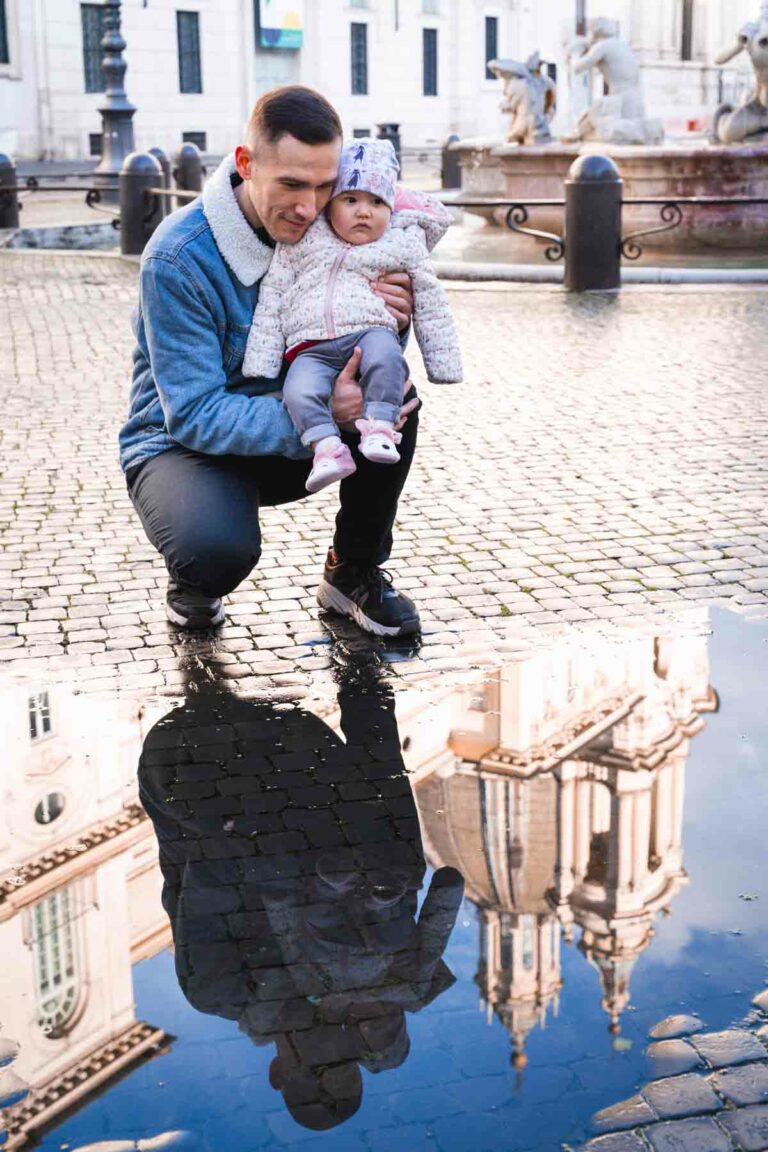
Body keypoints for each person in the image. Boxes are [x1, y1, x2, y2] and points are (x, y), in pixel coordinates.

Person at [118, 86, 422, 637]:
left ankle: (352, 570)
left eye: (324, 185)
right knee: (216, 551)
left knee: (394, 398)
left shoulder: (333, 229)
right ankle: (194, 580)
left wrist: (390, 323)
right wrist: (325, 415)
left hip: (286, 423)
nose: (309, 207)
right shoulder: (178, 258)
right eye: (291, 184)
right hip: (178, 444)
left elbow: (346, 355)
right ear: (245, 164)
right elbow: (191, 413)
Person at [244, 138, 462, 495]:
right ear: (330, 204)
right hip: (310, 346)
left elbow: (432, 302)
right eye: (351, 200)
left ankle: (380, 427)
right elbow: (273, 297)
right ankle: (326, 449)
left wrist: (443, 363)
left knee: (388, 361)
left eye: (377, 202)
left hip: (368, 332)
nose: (364, 212)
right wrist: (262, 361)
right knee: (297, 392)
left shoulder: (402, 242)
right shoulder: (304, 238)